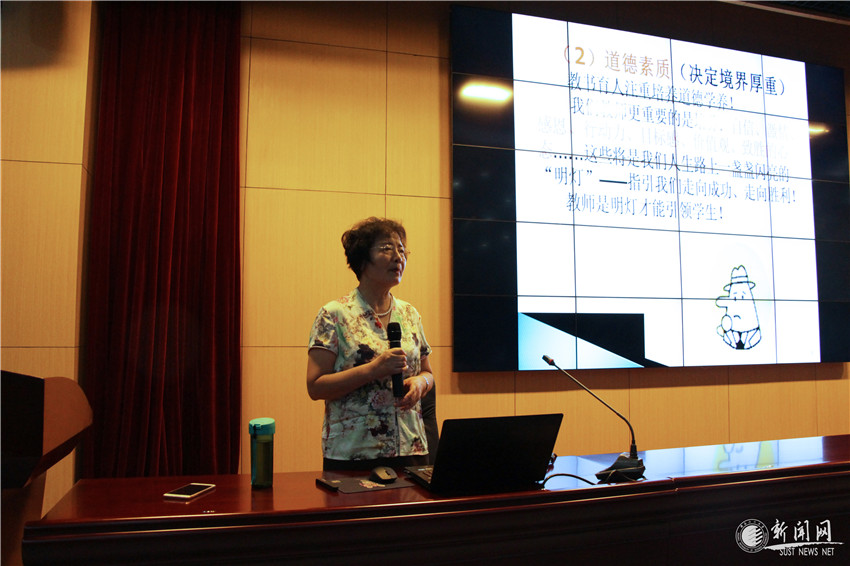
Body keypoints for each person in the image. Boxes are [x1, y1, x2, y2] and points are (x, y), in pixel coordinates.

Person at [307, 217, 436, 471]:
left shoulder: (410, 314)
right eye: (387, 248)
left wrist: (421, 383)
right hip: (354, 454)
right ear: (362, 260)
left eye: (402, 250)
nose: (398, 257)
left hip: (410, 448)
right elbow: (315, 386)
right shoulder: (334, 315)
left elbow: (427, 373)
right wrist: (373, 369)